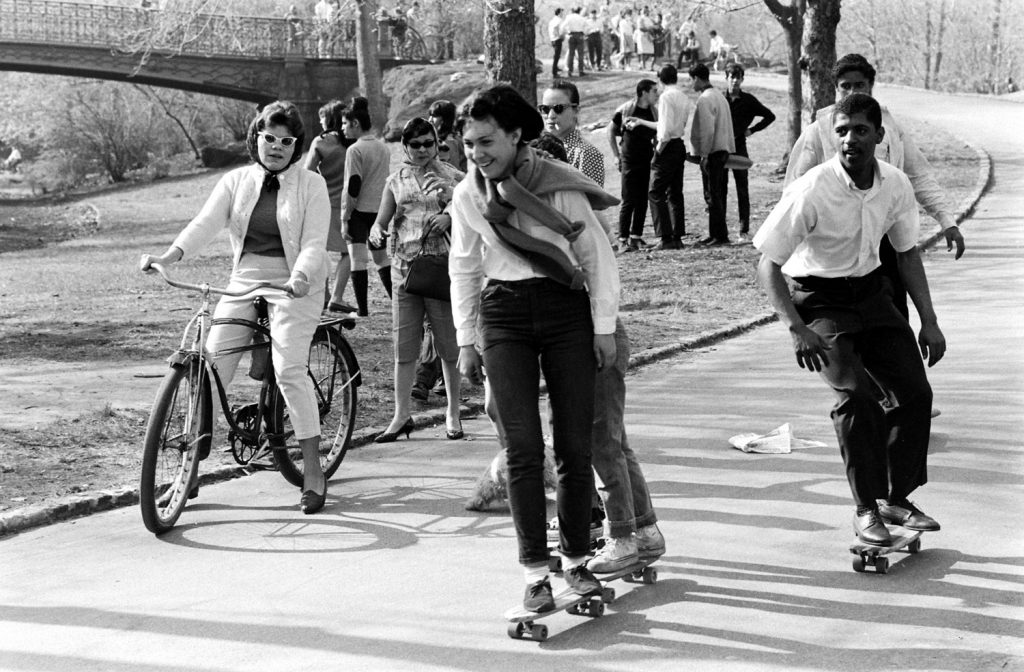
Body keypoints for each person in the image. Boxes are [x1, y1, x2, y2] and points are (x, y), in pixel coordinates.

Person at [449, 84, 620, 612]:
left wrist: (603, 326)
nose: (477, 154)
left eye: (487, 141)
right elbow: (465, 265)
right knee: (522, 448)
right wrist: (465, 341)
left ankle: (574, 562)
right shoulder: (468, 195)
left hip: (566, 310)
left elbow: (595, 255)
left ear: (516, 134)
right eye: (470, 143)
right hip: (504, 316)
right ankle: (534, 572)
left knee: (573, 446)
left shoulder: (558, 184)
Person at [754, 93, 945, 546]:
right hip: (819, 299)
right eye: (841, 130)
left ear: (880, 135)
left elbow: (906, 254)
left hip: (871, 292)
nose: (850, 139)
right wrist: (795, 328)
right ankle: (865, 507)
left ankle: (897, 498)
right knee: (855, 397)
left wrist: (929, 320)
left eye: (860, 129)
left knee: (915, 393)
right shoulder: (813, 188)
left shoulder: (895, 184)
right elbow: (767, 263)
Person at [139, 101, 331, 515]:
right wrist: (169, 257)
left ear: (296, 146)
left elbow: (316, 243)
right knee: (211, 363)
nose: (277, 147)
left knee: (288, 369)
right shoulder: (237, 180)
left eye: (286, 141)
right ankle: (189, 468)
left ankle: (313, 470)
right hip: (245, 279)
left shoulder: (311, 185)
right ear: (256, 138)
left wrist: (299, 277)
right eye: (269, 138)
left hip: (296, 283)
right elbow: (205, 222)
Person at [785, 53, 966, 320]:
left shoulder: (890, 128)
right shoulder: (819, 131)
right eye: (845, 86)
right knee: (844, 324)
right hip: (837, 245)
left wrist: (946, 220)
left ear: (871, 87)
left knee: (893, 318)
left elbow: (918, 176)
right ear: (836, 90)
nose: (852, 91)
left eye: (859, 85)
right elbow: (794, 189)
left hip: (883, 240)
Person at [368, 118, 464, 444]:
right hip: (404, 272)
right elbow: (381, 221)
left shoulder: (454, 176)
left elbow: (475, 206)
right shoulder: (395, 181)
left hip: (439, 270)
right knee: (404, 346)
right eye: (416, 144)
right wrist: (376, 232)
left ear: (437, 143)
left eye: (428, 143)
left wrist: (449, 214)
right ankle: (401, 414)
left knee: (448, 344)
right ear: (405, 147)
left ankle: (453, 412)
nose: (423, 149)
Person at [341, 97, 392, 316]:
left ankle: (362, 310)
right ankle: (397, 303)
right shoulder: (383, 147)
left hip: (358, 212)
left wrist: (345, 216)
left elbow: (353, 185)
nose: (342, 128)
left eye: (344, 123)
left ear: (354, 123)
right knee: (381, 259)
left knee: (358, 259)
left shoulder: (355, 150)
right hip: (378, 211)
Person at [304, 99, 357, 313]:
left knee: (321, 250)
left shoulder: (321, 141)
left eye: (322, 117)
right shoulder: (352, 144)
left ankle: (324, 296)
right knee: (349, 253)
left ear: (329, 119)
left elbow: (307, 172)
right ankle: (337, 296)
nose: (320, 121)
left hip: (323, 202)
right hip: (349, 204)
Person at [723, 63, 775, 242]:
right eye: (732, 77)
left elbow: (770, 116)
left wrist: (752, 130)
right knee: (720, 188)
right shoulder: (720, 98)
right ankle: (720, 230)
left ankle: (743, 229)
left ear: (742, 79)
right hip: (721, 147)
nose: (735, 80)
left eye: (738, 77)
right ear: (726, 78)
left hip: (739, 147)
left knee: (742, 188)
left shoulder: (748, 100)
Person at [641, 64, 691, 250]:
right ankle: (677, 236)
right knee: (675, 192)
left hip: (667, 146)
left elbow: (664, 130)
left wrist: (658, 152)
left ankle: (665, 236)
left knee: (655, 192)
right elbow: (679, 123)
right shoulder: (684, 97)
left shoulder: (665, 97)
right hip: (679, 144)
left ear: (660, 79)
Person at [607, 78, 659, 250]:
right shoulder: (626, 109)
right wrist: (616, 156)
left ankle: (636, 236)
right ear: (644, 92)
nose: (656, 95)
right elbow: (611, 131)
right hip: (629, 159)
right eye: (654, 91)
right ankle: (622, 238)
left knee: (643, 198)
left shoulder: (654, 112)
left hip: (647, 158)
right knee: (629, 198)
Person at [689, 62, 736, 246]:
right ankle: (715, 233)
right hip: (722, 149)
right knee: (717, 193)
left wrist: (705, 153)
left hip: (713, 151)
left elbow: (707, 130)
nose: (691, 85)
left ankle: (719, 235)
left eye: (692, 80)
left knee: (712, 194)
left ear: (698, 79)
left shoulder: (705, 99)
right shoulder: (719, 96)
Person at [539, 80, 605, 186]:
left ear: (576, 110)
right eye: (545, 109)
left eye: (558, 108)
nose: (551, 115)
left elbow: (592, 200)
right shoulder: (537, 148)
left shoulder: (586, 153)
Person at [562, 7, 588, 77]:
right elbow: (587, 26)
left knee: (571, 54)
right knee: (580, 54)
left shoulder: (569, 17)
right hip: (580, 35)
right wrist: (584, 33)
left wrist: (567, 33)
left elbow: (563, 26)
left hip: (572, 35)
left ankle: (570, 71)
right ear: (579, 11)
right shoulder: (581, 18)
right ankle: (580, 71)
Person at [634, 6, 655, 72]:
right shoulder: (640, 19)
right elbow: (641, 28)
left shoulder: (649, 19)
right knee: (643, 52)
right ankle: (643, 65)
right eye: (644, 11)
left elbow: (652, 26)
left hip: (649, 36)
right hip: (642, 36)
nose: (646, 12)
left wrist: (652, 29)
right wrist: (648, 29)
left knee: (650, 52)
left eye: (647, 11)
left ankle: (642, 64)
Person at [548, 8, 565, 78]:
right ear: (559, 13)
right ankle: (554, 72)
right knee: (556, 56)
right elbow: (555, 28)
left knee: (557, 55)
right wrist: (559, 36)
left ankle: (556, 68)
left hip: (553, 39)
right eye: (562, 12)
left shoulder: (552, 20)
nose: (562, 14)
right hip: (557, 39)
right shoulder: (558, 20)